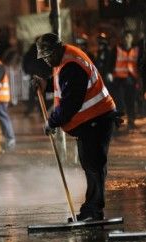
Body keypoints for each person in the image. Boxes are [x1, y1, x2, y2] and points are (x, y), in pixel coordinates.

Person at [36, 33, 117, 222]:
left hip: (97, 119)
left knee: (94, 166)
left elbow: (71, 103)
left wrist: (52, 121)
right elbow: (62, 85)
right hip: (91, 121)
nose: (47, 61)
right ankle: (91, 209)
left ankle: (94, 211)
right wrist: (46, 84)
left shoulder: (71, 66)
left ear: (56, 50)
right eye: (44, 57)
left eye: (48, 56)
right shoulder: (63, 61)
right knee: (90, 165)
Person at [107, 30, 140, 130]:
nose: (126, 39)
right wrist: (109, 73)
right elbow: (110, 62)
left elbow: (140, 63)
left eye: (128, 37)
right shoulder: (117, 49)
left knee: (131, 101)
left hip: (132, 79)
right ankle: (119, 123)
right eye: (125, 37)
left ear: (131, 38)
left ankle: (131, 121)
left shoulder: (137, 49)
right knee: (120, 102)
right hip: (119, 80)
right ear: (123, 39)